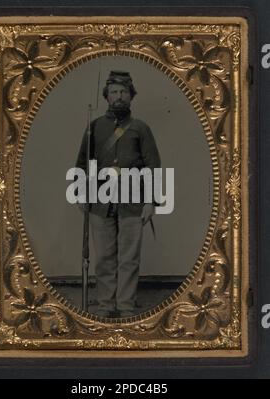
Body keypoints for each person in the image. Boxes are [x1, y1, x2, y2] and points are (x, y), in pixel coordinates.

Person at [76, 70, 161, 318]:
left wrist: (151, 202)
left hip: (134, 201)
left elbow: (153, 166)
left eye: (124, 91)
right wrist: (81, 194)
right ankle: (105, 306)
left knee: (129, 258)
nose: (119, 96)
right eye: (114, 92)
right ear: (107, 96)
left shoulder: (140, 128)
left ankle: (125, 306)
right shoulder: (94, 127)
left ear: (131, 96)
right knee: (103, 258)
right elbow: (82, 163)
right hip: (100, 200)